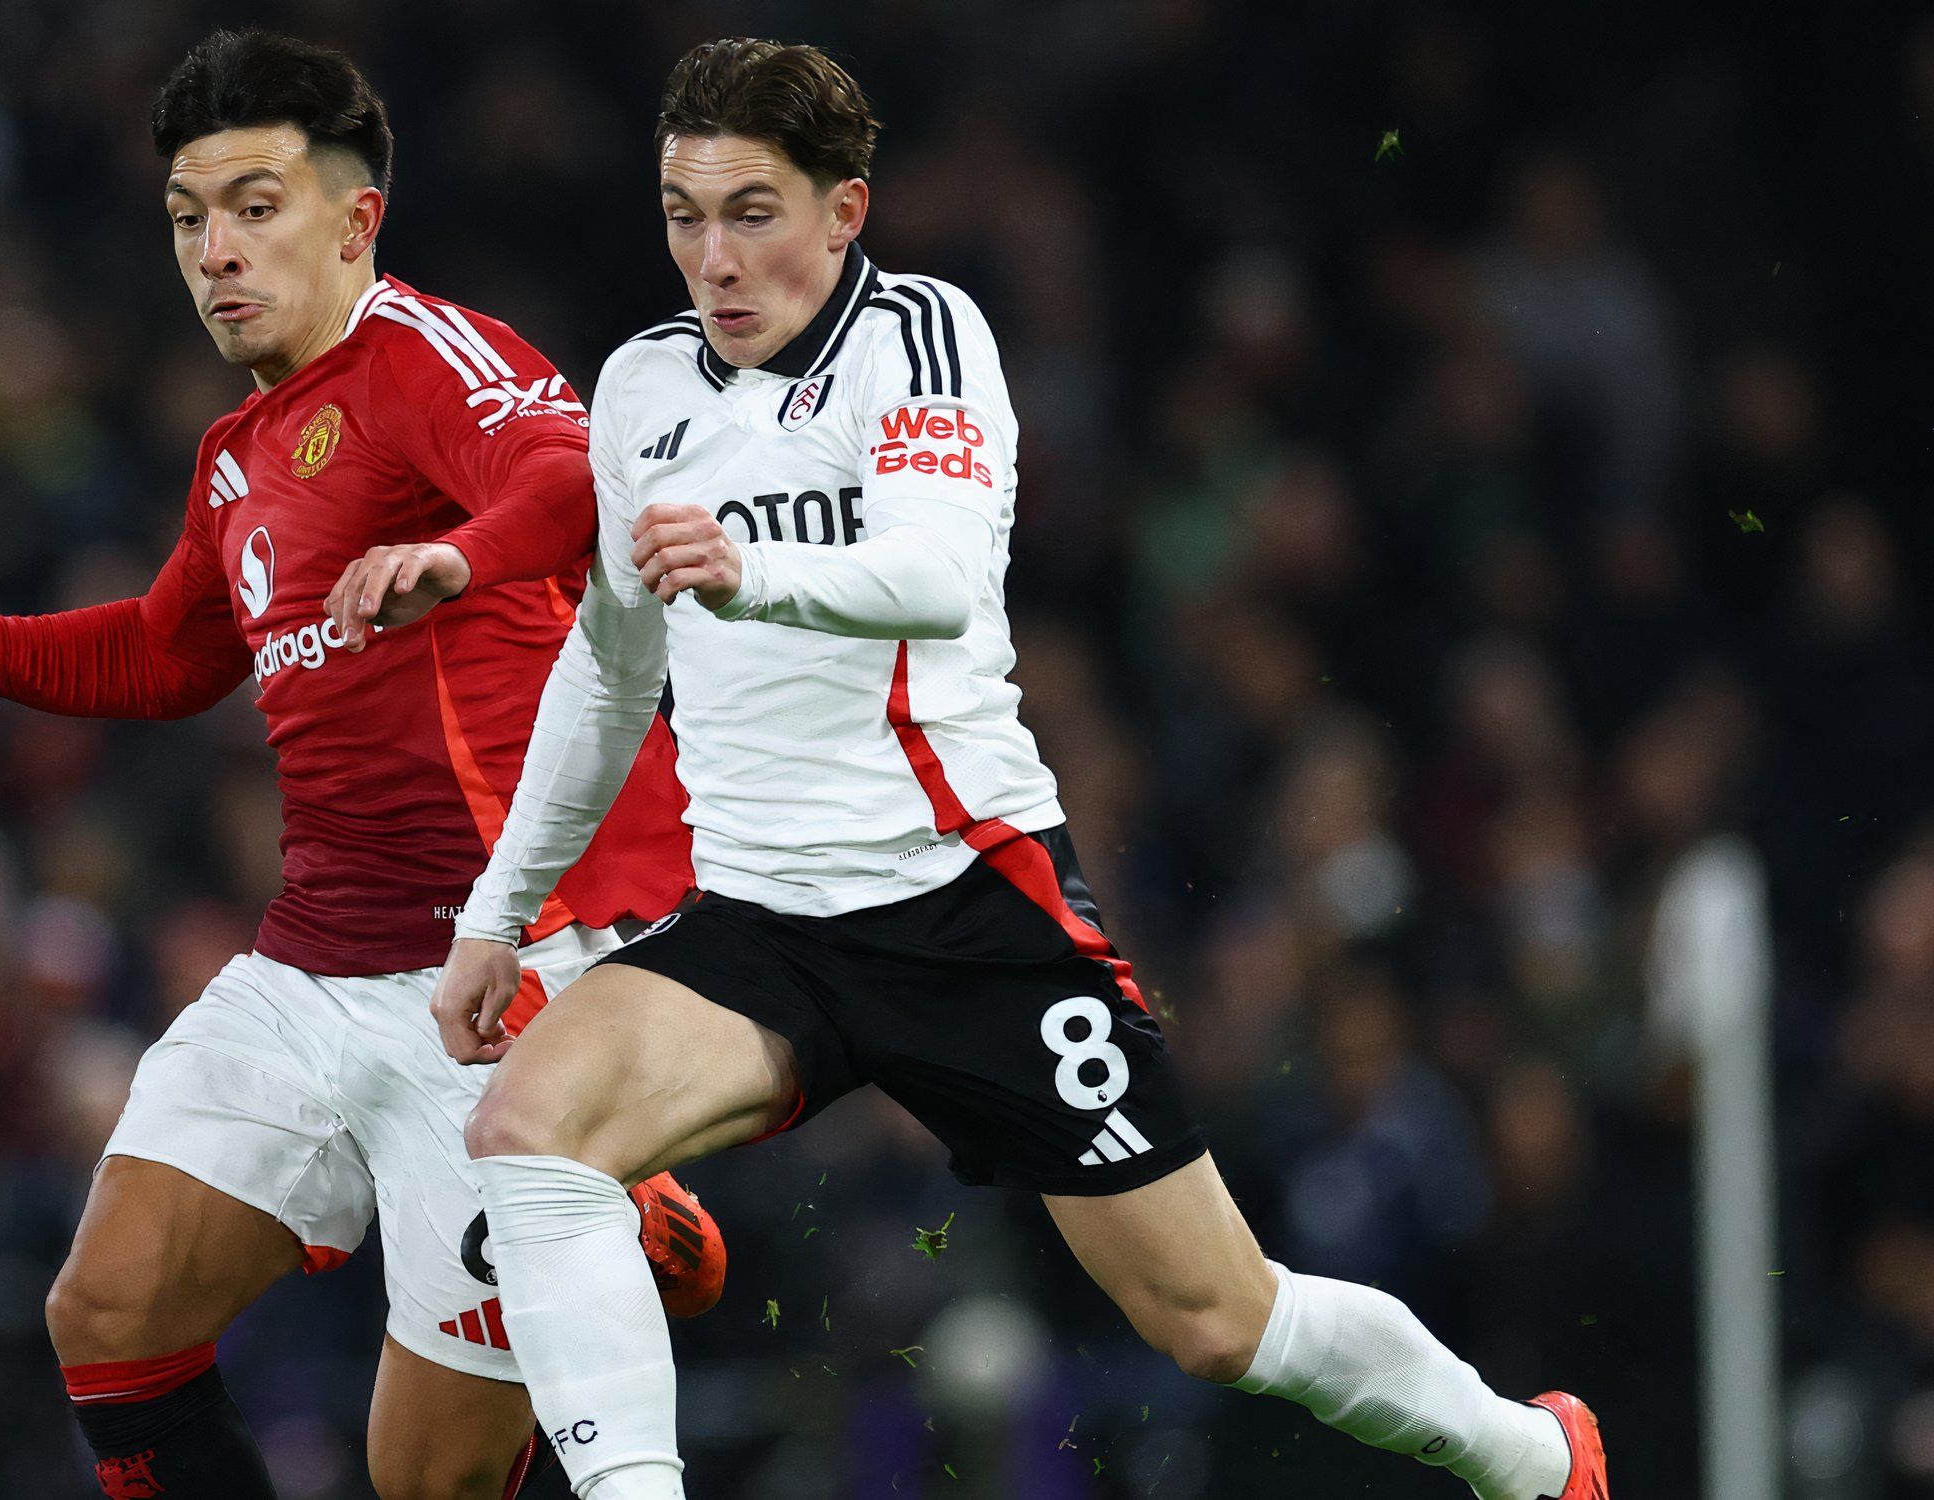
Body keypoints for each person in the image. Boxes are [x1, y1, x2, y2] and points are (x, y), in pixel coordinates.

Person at [398, 38, 1610, 1500]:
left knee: (1218, 1320)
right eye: (682, 213)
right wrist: (496, 912)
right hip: (764, 927)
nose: (711, 258)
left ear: (847, 210)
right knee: (527, 1131)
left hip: (968, 907)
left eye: (753, 212)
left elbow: (937, 573)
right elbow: (608, 668)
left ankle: (1537, 1460)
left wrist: (751, 567)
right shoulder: (645, 387)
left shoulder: (922, 336)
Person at [0, 30, 722, 1500]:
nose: (216, 250)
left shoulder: (426, 358)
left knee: (426, 1484)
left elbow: (562, 478)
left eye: (256, 207)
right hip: (307, 968)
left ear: (355, 218)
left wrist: (455, 555)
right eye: (190, 218)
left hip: (496, 983)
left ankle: (612, 1192)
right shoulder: (236, 455)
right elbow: (163, 654)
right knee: (109, 1316)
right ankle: (615, 1210)